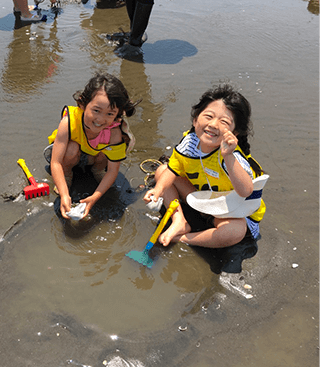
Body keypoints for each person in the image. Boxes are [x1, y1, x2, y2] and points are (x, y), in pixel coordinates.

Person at [143, 84, 266, 248]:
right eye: (208, 116)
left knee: (234, 232)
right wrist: (157, 191)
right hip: (198, 197)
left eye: (224, 121)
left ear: (235, 133)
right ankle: (179, 220)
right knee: (162, 171)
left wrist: (228, 156)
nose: (214, 124)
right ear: (195, 120)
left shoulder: (232, 155)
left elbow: (246, 191)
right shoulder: (189, 142)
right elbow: (173, 169)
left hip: (228, 210)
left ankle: (183, 238)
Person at [45, 73, 137, 219]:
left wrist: (95, 197)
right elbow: (55, 162)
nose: (100, 119)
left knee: (107, 153)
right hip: (70, 153)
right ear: (82, 104)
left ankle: (97, 170)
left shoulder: (114, 133)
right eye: (96, 110)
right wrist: (64, 194)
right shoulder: (69, 122)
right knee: (72, 149)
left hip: (94, 154)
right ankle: (67, 174)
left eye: (110, 114)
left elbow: (113, 171)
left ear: (117, 115)